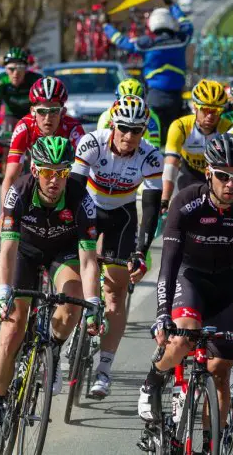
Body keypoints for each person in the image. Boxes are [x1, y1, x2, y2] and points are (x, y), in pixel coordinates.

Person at [137, 134, 233, 434]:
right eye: (223, 176)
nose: (230, 185)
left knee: (220, 371)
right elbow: (168, 261)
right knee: (183, 339)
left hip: (226, 281)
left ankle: (213, 444)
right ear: (208, 171)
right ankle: (153, 380)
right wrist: (161, 314)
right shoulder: (186, 201)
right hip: (189, 274)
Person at [0, 137, 101, 451]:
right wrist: (2, 293)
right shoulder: (18, 192)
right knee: (12, 327)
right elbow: (7, 250)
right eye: (47, 172)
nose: (55, 180)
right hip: (25, 251)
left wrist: (95, 303)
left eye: (62, 172)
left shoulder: (79, 196)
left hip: (63, 252)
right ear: (34, 169)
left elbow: (88, 259)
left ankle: (55, 349)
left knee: (73, 301)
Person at [71, 95, 164, 398]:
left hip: (122, 217)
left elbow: (149, 211)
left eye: (136, 130)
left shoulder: (150, 157)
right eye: (123, 127)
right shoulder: (92, 143)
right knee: (73, 276)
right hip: (88, 208)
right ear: (112, 124)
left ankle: (104, 370)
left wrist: (140, 251)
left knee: (116, 290)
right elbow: (73, 192)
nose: (128, 135)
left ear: (144, 132)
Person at [104, 0, 193, 146]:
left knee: (151, 141)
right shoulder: (181, 40)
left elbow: (122, 42)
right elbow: (187, 25)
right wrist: (173, 6)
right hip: (177, 98)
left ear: (152, 24)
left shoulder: (147, 44)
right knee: (177, 140)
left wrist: (106, 26)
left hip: (154, 97)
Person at [0, 77, 83, 212]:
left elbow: (85, 173)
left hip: (65, 180)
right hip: (37, 177)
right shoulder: (24, 127)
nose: (48, 118)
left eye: (54, 111)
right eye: (42, 111)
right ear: (33, 111)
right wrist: (5, 213)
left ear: (63, 111)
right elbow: (10, 176)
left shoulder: (73, 128)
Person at [162, 80, 233, 201]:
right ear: (195, 107)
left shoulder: (228, 129)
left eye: (216, 111)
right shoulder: (181, 127)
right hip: (189, 173)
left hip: (217, 176)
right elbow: (171, 164)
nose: (210, 116)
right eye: (205, 109)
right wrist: (164, 199)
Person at [0, 47, 43, 168]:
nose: (15, 73)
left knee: (37, 151)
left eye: (20, 68)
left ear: (26, 69)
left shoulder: (35, 79)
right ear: (5, 69)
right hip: (11, 116)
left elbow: (43, 107)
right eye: (11, 69)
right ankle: (8, 182)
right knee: (9, 152)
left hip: (32, 116)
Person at [96, 78, 161, 149]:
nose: (130, 106)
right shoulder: (106, 116)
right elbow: (102, 143)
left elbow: (154, 147)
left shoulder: (152, 116)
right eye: (125, 102)